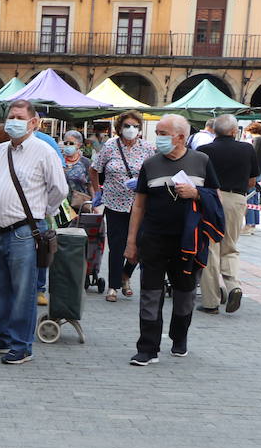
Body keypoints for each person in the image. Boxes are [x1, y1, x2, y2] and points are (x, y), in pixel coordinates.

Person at [0, 101, 67, 365]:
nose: (12, 120)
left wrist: (40, 212)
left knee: (24, 290)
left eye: (19, 117)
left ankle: (21, 345)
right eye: (10, 116)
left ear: (33, 122)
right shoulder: (1, 150)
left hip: (24, 231)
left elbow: (59, 189)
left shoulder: (43, 151)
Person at [125, 114, 219, 365]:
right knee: (150, 293)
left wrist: (196, 193)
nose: (158, 138)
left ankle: (179, 337)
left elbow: (215, 198)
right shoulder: (151, 164)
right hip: (154, 238)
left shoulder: (202, 161)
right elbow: (139, 205)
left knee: (184, 293)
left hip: (189, 242)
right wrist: (131, 241)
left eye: (162, 133)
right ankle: (147, 348)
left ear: (180, 137)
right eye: (157, 133)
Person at [90, 110, 156, 302]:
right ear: (119, 128)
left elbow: (155, 171)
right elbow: (94, 169)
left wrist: (144, 183)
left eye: (135, 126)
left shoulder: (148, 148)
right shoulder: (110, 146)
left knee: (139, 243)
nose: (131, 129)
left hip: (140, 203)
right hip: (115, 202)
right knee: (117, 245)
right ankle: (113, 286)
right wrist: (97, 192)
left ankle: (125, 275)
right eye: (127, 125)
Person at [197, 114, 258, 315]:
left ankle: (211, 301)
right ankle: (233, 286)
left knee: (210, 247)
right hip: (235, 199)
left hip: (211, 198)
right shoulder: (247, 149)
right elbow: (251, 181)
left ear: (213, 131)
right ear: (234, 131)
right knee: (229, 245)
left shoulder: (204, 150)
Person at [245, 121, 261, 234]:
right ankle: (253, 224)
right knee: (254, 199)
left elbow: (252, 157)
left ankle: (249, 224)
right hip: (259, 171)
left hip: (253, 172)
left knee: (250, 198)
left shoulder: (257, 140)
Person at [60, 130, 92, 206]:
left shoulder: (86, 162)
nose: (67, 146)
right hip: (61, 205)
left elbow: (90, 184)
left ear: (79, 145)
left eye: (71, 143)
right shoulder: (58, 160)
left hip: (80, 204)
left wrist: (94, 204)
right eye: (65, 143)